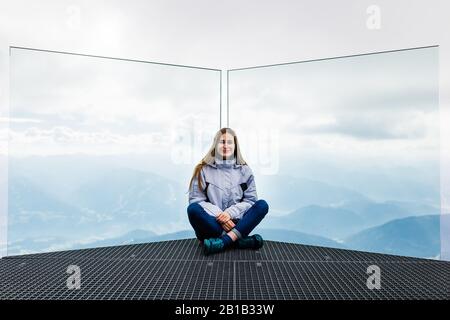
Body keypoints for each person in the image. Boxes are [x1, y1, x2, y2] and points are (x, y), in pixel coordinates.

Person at [186, 127, 269, 255]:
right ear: (215, 144)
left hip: (235, 222)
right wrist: (222, 217)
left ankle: (223, 242)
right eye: (222, 142)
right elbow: (196, 200)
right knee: (193, 209)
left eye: (229, 142)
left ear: (235, 145)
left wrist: (230, 214)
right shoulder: (203, 169)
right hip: (212, 224)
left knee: (262, 205)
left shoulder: (245, 171)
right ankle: (238, 240)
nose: (226, 146)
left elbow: (251, 201)